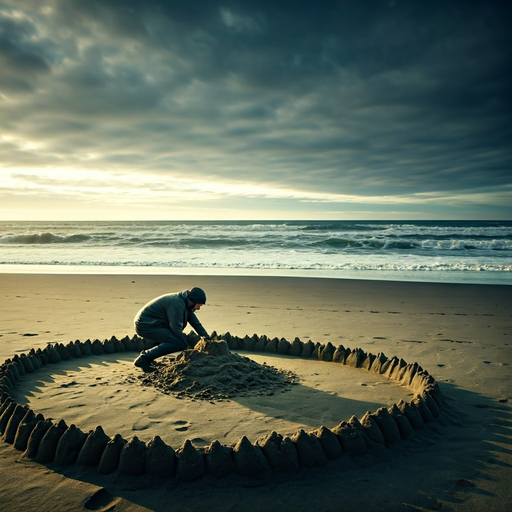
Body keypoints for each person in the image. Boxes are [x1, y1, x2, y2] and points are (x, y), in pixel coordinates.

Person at [133, 287, 209, 372]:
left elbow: (196, 323)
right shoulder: (177, 303)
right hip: (145, 324)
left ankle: (147, 359)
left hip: (155, 324)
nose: (199, 308)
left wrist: (206, 338)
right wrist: (185, 344)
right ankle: (144, 359)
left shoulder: (186, 304)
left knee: (179, 342)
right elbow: (175, 327)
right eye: (200, 304)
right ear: (193, 301)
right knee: (177, 342)